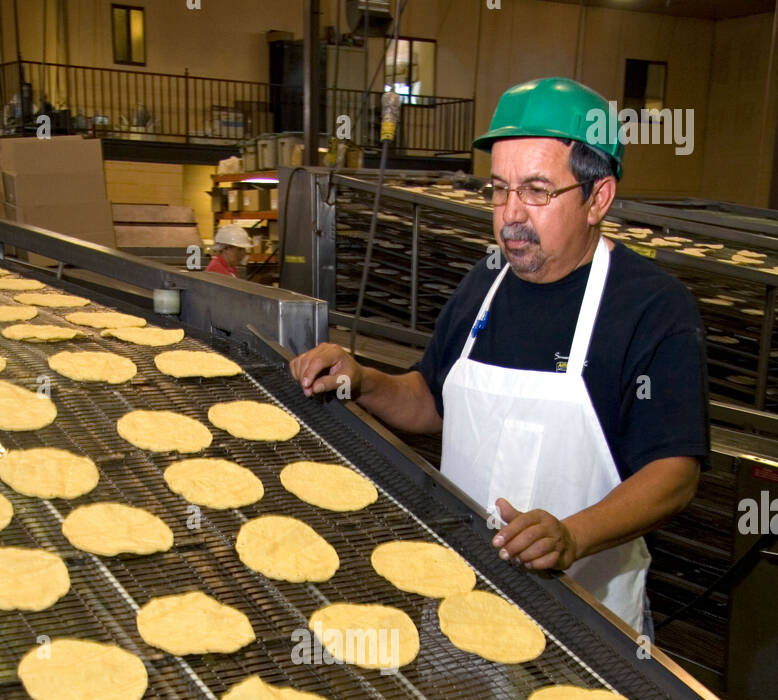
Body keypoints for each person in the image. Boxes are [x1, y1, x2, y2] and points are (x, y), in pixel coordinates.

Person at [290, 77, 710, 635]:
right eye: (499, 189)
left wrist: (573, 535)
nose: (511, 214)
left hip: (585, 622)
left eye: (537, 190)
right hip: (458, 598)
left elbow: (674, 472)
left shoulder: (651, 307)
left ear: (598, 198)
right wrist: (362, 380)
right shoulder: (485, 283)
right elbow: (430, 402)